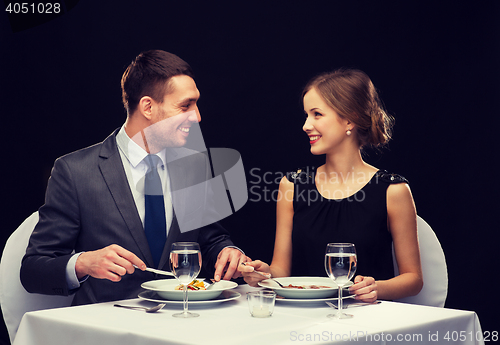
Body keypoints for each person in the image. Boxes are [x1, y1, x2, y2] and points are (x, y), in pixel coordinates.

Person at [20, 50, 248, 305]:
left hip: (181, 324)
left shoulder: (194, 166)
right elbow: (33, 271)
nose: (197, 117)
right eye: (186, 106)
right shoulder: (74, 172)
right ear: (148, 107)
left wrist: (228, 251)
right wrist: (82, 263)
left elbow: (210, 238)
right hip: (105, 331)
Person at [240, 69, 423, 302]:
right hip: (303, 317)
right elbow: (281, 272)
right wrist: (263, 274)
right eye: (306, 115)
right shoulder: (292, 185)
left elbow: (413, 279)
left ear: (350, 119)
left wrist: (375, 287)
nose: (306, 125)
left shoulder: (393, 190)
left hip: (369, 321)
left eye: (317, 114)